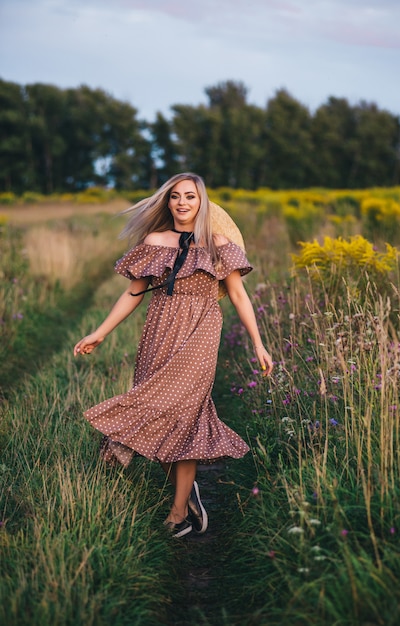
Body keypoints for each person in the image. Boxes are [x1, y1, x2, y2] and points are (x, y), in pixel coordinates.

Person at [73, 172, 273, 538]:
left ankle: (178, 512)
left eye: (190, 197)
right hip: (159, 332)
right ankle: (189, 493)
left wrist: (258, 342)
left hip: (201, 332)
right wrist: (99, 333)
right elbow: (134, 294)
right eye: (175, 196)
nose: (182, 203)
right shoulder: (154, 241)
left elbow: (240, 297)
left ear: (202, 203)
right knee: (156, 412)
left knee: (184, 414)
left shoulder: (218, 244)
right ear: (167, 202)